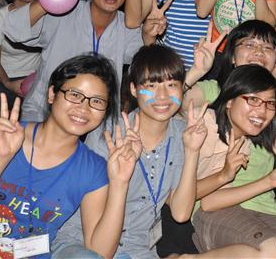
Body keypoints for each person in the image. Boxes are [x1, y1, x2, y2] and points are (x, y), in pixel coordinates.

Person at [0, 54, 139, 259]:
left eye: (96, 101)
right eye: (74, 94)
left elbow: (99, 252)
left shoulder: (93, 170)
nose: (84, 108)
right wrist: (0, 157)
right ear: (52, 94)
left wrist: (120, 183)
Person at [53, 45, 208, 258]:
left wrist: (192, 151)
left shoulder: (183, 134)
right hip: (83, 242)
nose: (162, 96)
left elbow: (181, 214)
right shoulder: (108, 134)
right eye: (151, 85)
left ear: (183, 88)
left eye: (172, 85)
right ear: (134, 89)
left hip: (139, 250)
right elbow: (96, 248)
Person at [4, 0, 144, 121]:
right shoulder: (62, 13)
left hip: (97, 120)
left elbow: (140, 58)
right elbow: (14, 30)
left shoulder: (127, 25)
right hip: (45, 115)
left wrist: (151, 32)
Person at [183, 65, 276, 258]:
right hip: (215, 215)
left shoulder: (247, 142)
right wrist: (268, 181)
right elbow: (208, 203)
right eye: (253, 100)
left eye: (270, 103)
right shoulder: (205, 126)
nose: (262, 111)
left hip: (264, 215)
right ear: (229, 101)